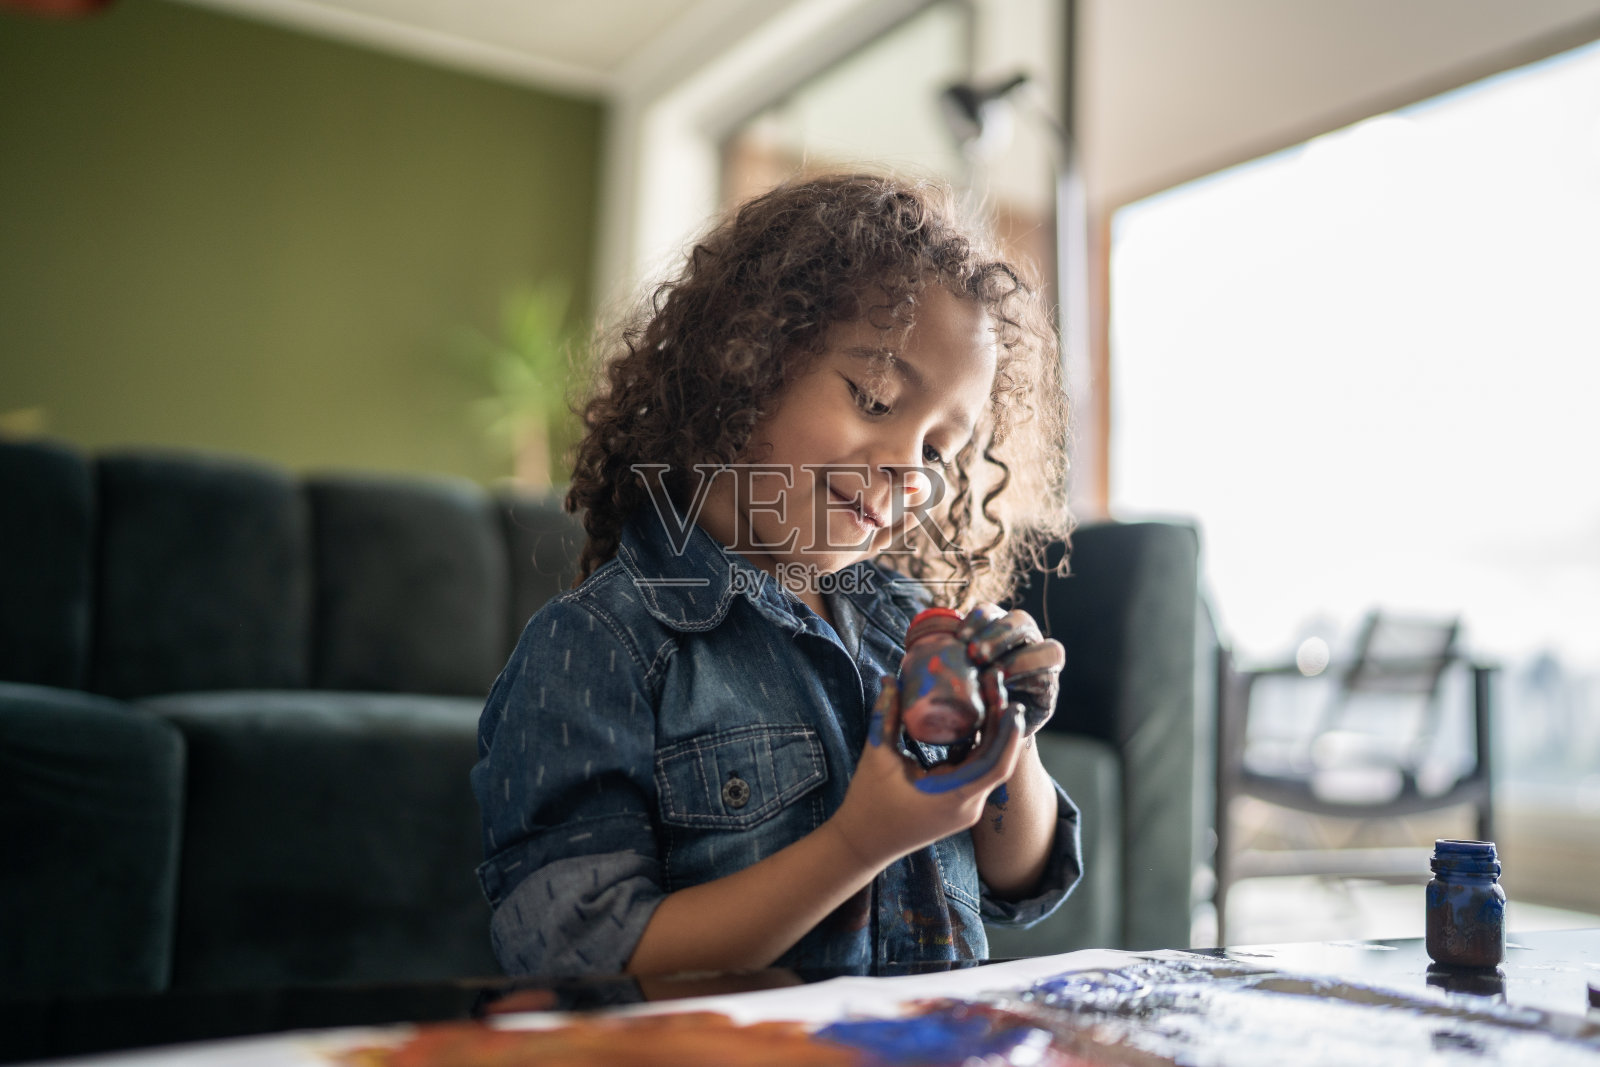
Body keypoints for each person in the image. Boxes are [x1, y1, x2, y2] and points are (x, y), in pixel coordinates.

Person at [471, 172, 1081, 978]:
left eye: (940, 451)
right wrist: (858, 844)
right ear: (745, 357)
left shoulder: (909, 626)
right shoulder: (600, 647)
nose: (908, 465)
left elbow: (1019, 877)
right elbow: (584, 956)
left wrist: (1014, 738)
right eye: (874, 397)